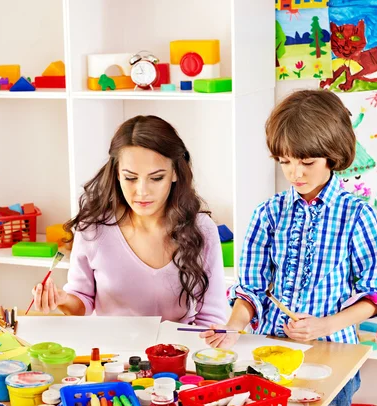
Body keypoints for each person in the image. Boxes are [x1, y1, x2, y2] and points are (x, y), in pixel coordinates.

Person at [201, 90, 377, 406]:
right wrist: (233, 326)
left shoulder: (356, 215)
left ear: (333, 156)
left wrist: (323, 325)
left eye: (307, 162)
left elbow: (376, 296)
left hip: (332, 357)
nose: (295, 173)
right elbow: (251, 289)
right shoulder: (269, 213)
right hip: (268, 357)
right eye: (285, 161)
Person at [31, 115, 229, 326]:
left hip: (178, 353)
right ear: (117, 174)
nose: (142, 191)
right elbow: (82, 302)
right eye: (130, 178)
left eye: (156, 178)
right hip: (112, 354)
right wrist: (60, 300)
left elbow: (211, 319)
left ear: (175, 173)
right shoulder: (92, 229)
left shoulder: (202, 230)